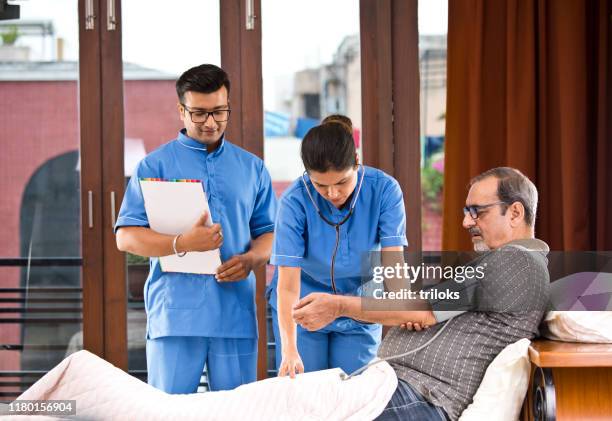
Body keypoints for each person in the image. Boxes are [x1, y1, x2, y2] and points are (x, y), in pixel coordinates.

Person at [291, 167, 550, 420]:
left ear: (515, 212)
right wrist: (423, 315)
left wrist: (338, 306)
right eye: (466, 211)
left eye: (477, 212)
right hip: (402, 387)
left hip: (422, 396)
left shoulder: (518, 262)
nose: (466, 222)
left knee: (291, 409)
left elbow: (421, 309)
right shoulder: (505, 264)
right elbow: (426, 309)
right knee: (283, 402)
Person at [115, 64, 277, 394]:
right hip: (175, 314)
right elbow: (126, 236)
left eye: (219, 112)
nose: (210, 122)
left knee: (238, 414)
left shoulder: (252, 168)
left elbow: (271, 233)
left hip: (234, 311)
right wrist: (182, 242)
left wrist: (252, 260)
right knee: (168, 414)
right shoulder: (154, 165)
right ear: (181, 111)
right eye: (199, 113)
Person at [268, 117, 408, 378]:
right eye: (321, 185)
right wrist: (289, 349)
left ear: (356, 162)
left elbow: (393, 265)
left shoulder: (385, 190)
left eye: (342, 182)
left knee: (354, 393)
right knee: (309, 394)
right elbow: (287, 285)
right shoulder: (294, 201)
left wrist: (402, 311)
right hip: (304, 306)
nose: (332, 193)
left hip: (360, 303)